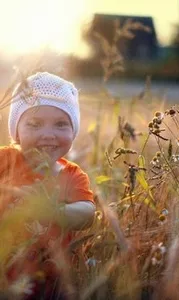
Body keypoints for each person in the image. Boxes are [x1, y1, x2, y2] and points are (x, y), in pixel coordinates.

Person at [0, 72, 96, 299]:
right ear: (16, 132)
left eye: (61, 124)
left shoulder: (71, 175)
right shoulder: (5, 161)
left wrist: (53, 211)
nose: (48, 134)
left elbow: (88, 213)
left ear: (73, 131)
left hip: (50, 284)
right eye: (34, 124)